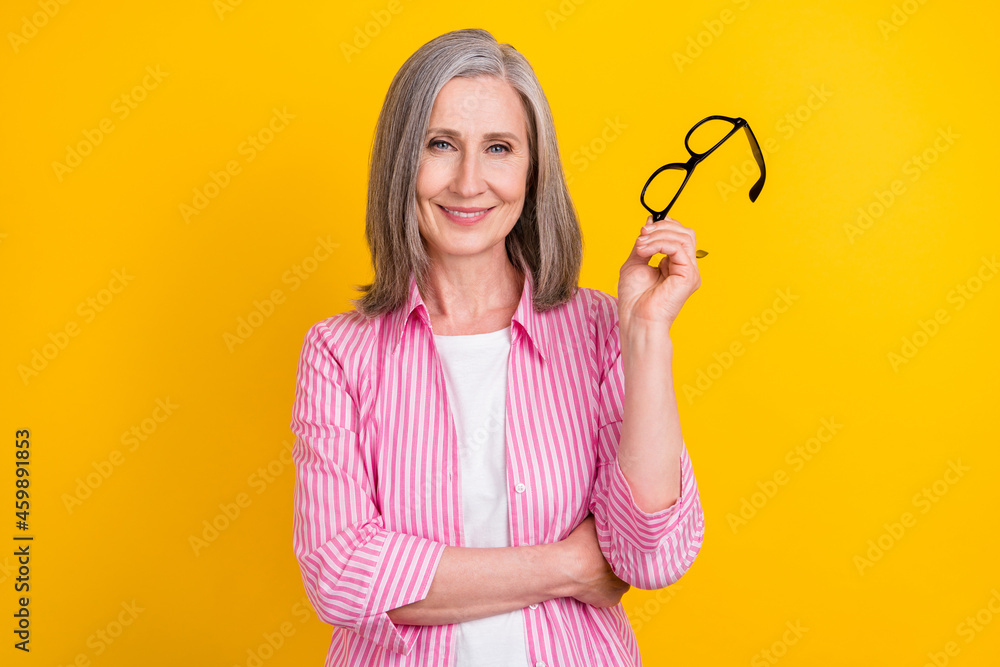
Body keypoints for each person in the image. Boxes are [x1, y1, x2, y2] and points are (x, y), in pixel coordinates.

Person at [290, 28, 705, 667]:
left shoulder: (597, 330)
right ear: (402, 161)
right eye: (440, 145)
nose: (469, 181)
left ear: (533, 169)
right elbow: (341, 576)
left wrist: (645, 336)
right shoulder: (339, 353)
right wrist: (570, 565)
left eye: (500, 148)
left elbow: (651, 555)